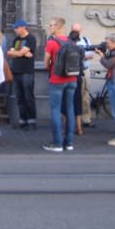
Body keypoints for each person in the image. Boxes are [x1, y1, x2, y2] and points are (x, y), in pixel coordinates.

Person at [43, 18, 77, 152]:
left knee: (55, 110)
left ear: (57, 26)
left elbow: (46, 64)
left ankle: (57, 143)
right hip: (72, 78)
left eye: (51, 25)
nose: (49, 27)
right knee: (70, 109)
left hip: (57, 80)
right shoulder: (71, 42)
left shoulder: (51, 43)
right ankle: (69, 143)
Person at [7, 19, 37, 129]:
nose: (15, 30)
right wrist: (21, 53)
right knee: (19, 97)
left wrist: (18, 53)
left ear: (23, 27)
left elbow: (17, 53)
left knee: (28, 96)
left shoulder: (31, 39)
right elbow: (11, 54)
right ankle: (22, 119)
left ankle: (31, 120)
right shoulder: (16, 39)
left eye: (17, 28)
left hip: (27, 72)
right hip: (16, 71)